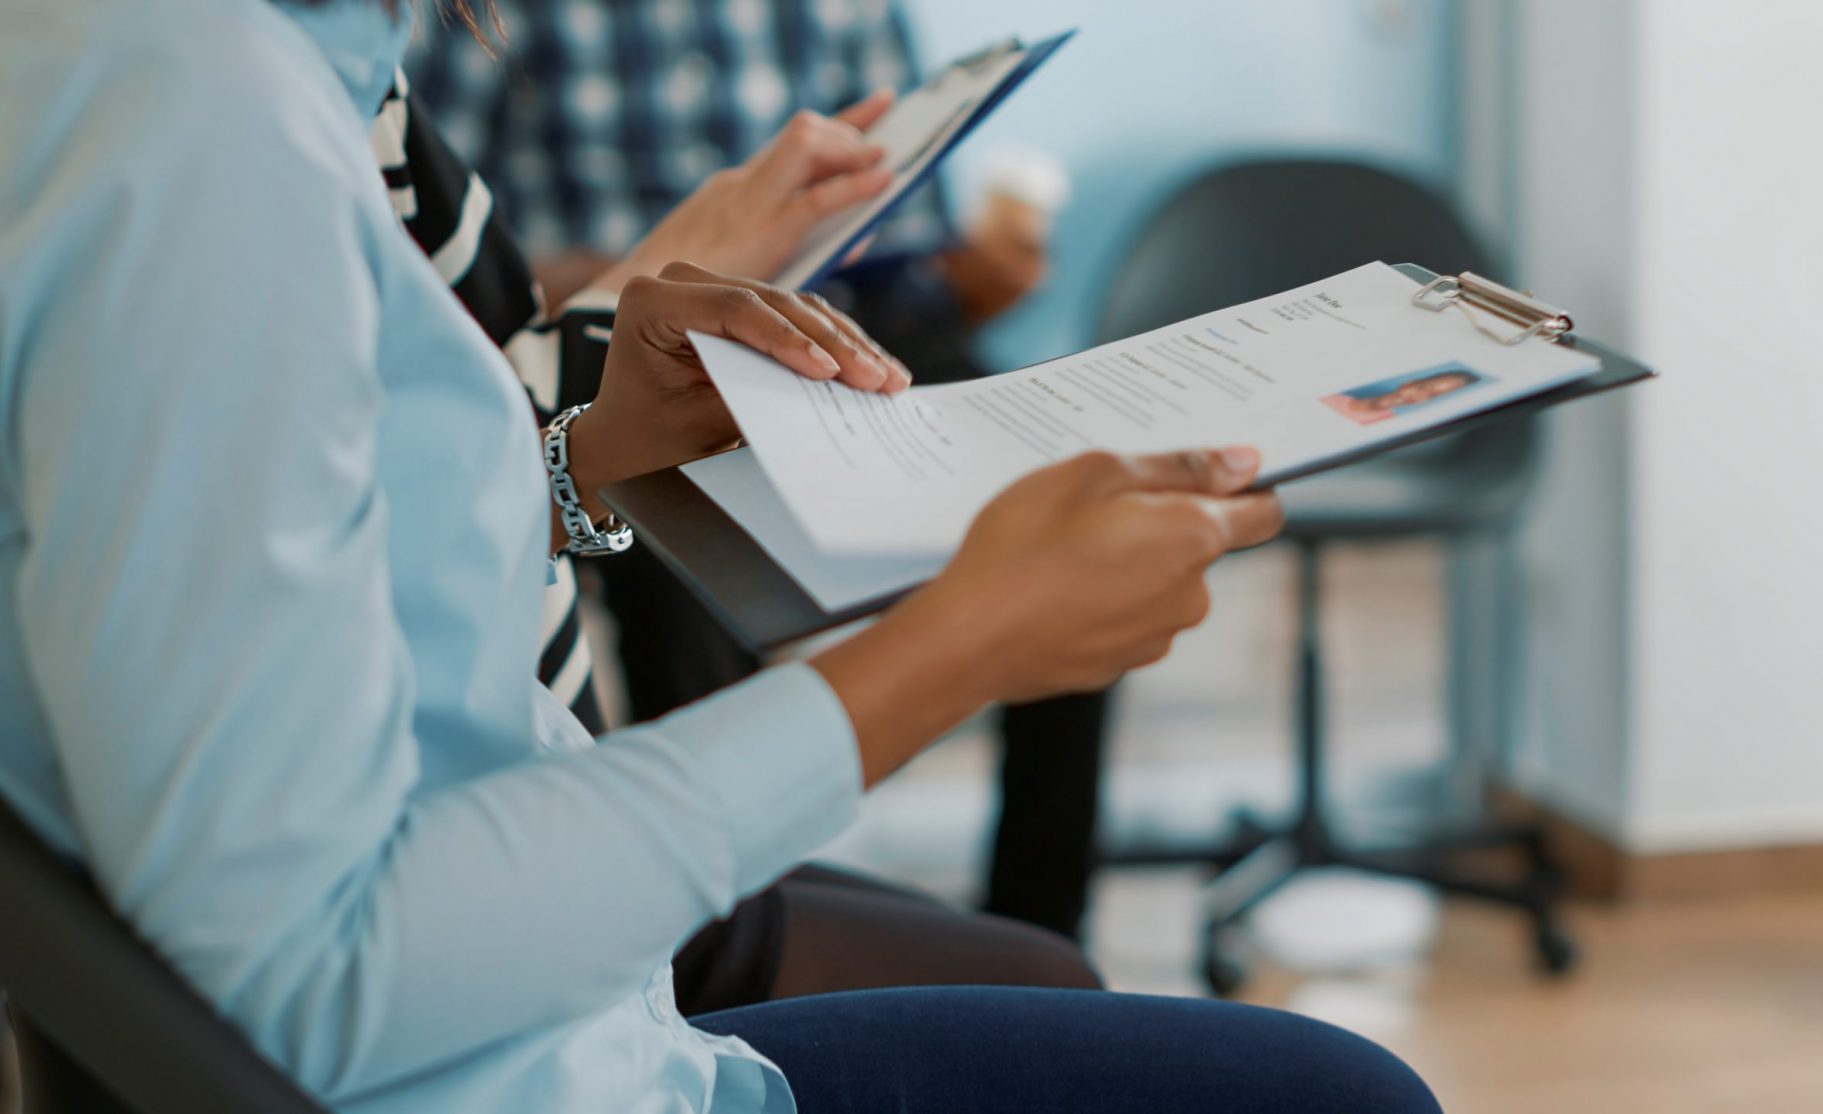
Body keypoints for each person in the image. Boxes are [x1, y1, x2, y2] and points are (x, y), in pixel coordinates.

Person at [0, 1, 1446, 1111]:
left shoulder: (258, 75)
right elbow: (318, 974)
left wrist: (582, 453)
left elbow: (331, 543)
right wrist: (954, 649)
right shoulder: (199, 118)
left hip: (574, 1022)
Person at [370, 62, 1099, 1011]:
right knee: (1056, 991)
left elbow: (456, 456)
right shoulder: (306, 105)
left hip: (549, 760)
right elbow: (439, 458)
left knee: (1062, 499)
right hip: (508, 830)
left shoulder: (367, 84)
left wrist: (965, 271)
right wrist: (659, 266)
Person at [1323, 368, 1484, 425]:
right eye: (1422, 388)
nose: (1419, 396)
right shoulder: (1329, 397)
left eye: (1433, 396)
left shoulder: (1382, 428)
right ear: (1409, 384)